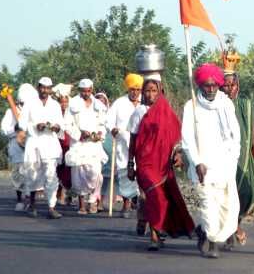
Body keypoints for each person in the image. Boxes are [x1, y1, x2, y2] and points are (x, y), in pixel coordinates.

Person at [127, 77, 194, 251]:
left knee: (161, 199)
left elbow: (177, 137)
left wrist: (178, 154)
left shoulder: (167, 111)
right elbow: (133, 140)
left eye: (154, 90)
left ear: (160, 91)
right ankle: (154, 236)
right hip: (145, 163)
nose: (150, 94)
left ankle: (157, 229)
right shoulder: (139, 112)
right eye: (147, 91)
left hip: (163, 164)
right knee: (155, 196)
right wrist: (129, 164)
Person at [181, 63, 241, 259]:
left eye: (215, 84)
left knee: (226, 206)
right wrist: (197, 161)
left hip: (225, 165)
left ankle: (205, 232)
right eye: (207, 85)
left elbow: (235, 136)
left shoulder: (226, 104)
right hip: (203, 167)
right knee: (208, 205)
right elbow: (187, 138)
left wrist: (233, 160)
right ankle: (214, 243)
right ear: (200, 85)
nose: (211, 88)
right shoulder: (191, 106)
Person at [221, 71, 254, 247]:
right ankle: (231, 229)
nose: (229, 89)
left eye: (232, 85)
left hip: (244, 157)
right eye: (225, 85)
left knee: (247, 193)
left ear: (237, 87)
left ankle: (234, 225)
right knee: (226, 194)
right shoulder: (217, 106)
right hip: (224, 157)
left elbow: (252, 130)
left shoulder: (246, 105)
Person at [19, 77, 64, 219]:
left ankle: (51, 207)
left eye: (48, 88)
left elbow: (60, 124)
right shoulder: (30, 103)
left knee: (51, 175)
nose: (45, 90)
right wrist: (35, 126)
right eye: (42, 87)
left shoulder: (55, 105)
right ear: (38, 88)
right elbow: (22, 123)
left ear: (51, 89)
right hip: (34, 142)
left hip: (50, 142)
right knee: (32, 174)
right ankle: (32, 205)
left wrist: (56, 127)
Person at [66, 78, 108, 215]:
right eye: (84, 91)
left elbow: (103, 123)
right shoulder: (73, 104)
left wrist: (100, 134)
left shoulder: (98, 105)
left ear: (92, 89)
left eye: (89, 91)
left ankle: (93, 200)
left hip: (94, 145)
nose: (86, 93)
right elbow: (67, 124)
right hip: (79, 144)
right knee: (79, 174)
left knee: (96, 174)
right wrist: (79, 134)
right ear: (79, 90)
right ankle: (82, 205)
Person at [105, 73, 143, 217]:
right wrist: (112, 129)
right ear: (128, 89)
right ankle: (126, 204)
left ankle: (139, 201)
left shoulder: (144, 103)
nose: (135, 92)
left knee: (141, 173)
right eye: (132, 89)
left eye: (138, 89)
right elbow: (108, 121)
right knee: (124, 172)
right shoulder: (119, 103)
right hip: (123, 144)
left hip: (141, 144)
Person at [0, 84, 37, 211]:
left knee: (31, 172)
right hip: (16, 147)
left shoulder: (33, 111)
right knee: (18, 174)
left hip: (31, 145)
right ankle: (20, 200)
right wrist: (15, 130)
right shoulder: (11, 111)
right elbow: (3, 130)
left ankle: (29, 199)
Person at [52, 83, 78, 206]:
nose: (64, 104)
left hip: (68, 142)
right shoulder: (54, 112)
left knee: (68, 170)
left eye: (65, 102)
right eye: (61, 102)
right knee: (58, 169)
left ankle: (67, 194)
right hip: (57, 143)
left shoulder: (71, 113)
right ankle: (58, 194)